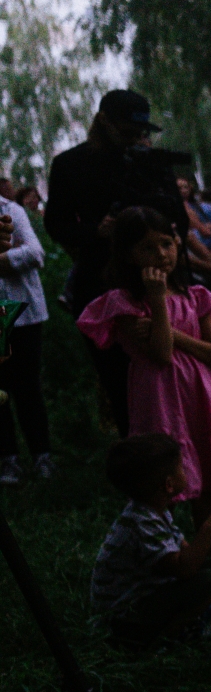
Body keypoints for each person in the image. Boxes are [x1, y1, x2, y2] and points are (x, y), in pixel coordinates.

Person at [76, 207, 211, 528]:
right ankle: (170, 558)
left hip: (202, 396)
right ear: (129, 255)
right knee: (162, 486)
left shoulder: (195, 296)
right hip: (160, 399)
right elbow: (160, 355)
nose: (161, 254)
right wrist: (158, 301)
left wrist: (174, 334)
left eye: (166, 244)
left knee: (208, 492)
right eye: (147, 248)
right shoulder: (125, 302)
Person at [44, 91, 188, 434]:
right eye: (127, 131)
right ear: (104, 121)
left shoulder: (152, 163)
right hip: (102, 285)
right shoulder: (70, 165)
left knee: (174, 374)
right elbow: (56, 223)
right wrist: (97, 231)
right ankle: (140, 466)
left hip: (158, 284)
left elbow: (179, 219)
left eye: (140, 133)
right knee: (119, 382)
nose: (135, 139)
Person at [91, 433, 211, 647]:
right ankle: (163, 641)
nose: (186, 469)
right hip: (124, 621)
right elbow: (184, 568)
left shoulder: (154, 512)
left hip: (148, 596)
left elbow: (189, 556)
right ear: (169, 484)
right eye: (181, 466)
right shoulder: (142, 524)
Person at [0, 195, 53, 484]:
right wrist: (10, 257)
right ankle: (8, 460)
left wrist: (6, 259)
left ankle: (41, 456)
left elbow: (35, 253)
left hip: (24, 312)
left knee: (28, 388)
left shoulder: (11, 210)